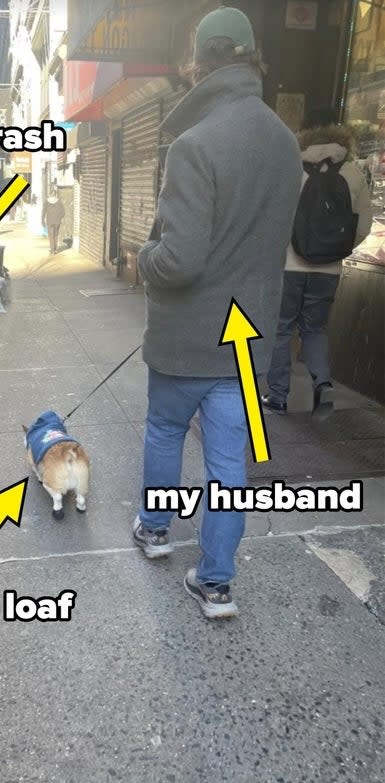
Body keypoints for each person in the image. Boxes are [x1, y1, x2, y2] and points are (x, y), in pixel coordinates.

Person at [133, 7, 303, 619]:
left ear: (198, 64)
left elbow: (178, 260)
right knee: (231, 463)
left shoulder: (193, 145)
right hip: (247, 340)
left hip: (185, 340)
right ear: (253, 57)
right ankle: (216, 583)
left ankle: (155, 531)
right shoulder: (287, 146)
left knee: (165, 433)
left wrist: (144, 257)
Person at [262, 107, 372, 420]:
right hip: (328, 270)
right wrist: (337, 250)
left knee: (282, 330)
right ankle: (322, 384)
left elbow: (274, 218)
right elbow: (363, 223)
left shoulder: (291, 168)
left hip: (289, 266)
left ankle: (278, 396)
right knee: (315, 329)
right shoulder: (353, 173)